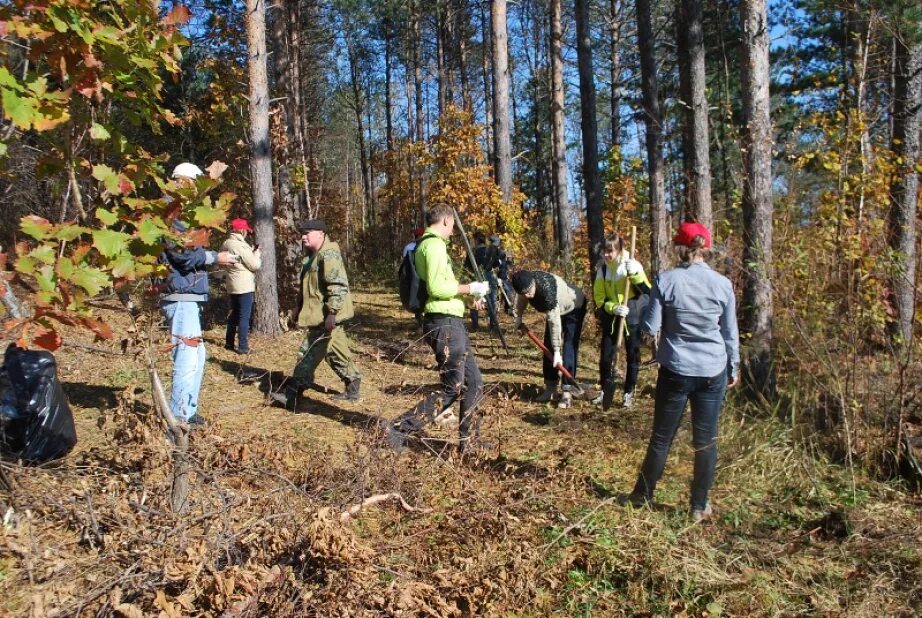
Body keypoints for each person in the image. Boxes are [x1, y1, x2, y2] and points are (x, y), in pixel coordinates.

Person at [621, 222, 740, 522]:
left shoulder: (666, 280)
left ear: (680, 248)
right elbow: (730, 333)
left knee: (662, 438)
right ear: (706, 248)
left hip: (676, 369)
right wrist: (734, 366)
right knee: (706, 440)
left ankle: (641, 495)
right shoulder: (723, 285)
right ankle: (699, 506)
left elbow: (650, 327)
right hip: (714, 370)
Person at [388, 204, 489, 452]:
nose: (454, 229)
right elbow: (436, 289)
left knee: (474, 382)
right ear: (445, 221)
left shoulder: (436, 246)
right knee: (452, 388)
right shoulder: (432, 245)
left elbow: (445, 286)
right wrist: (471, 288)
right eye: (453, 223)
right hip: (443, 323)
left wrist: (468, 299)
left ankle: (469, 442)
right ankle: (399, 428)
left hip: (451, 320)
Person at [160, 162, 237, 426]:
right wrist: (216, 257)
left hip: (188, 295)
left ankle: (188, 411)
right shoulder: (172, 211)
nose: (197, 190)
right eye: (194, 183)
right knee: (186, 356)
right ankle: (179, 418)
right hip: (180, 295)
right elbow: (181, 254)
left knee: (197, 355)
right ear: (184, 181)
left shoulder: (182, 212)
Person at [270, 219, 362, 409]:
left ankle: (292, 393)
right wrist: (297, 307)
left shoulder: (328, 255)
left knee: (308, 352)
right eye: (302, 233)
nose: (303, 237)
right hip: (321, 315)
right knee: (335, 351)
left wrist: (332, 314)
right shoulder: (313, 256)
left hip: (326, 316)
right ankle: (353, 384)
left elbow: (337, 286)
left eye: (307, 233)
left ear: (321, 234)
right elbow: (308, 288)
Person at [511, 270, 588, 409]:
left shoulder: (547, 291)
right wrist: (519, 316)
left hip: (574, 306)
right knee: (548, 345)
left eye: (529, 291)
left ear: (534, 283)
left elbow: (554, 323)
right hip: (557, 309)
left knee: (569, 346)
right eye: (524, 292)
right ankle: (551, 388)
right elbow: (522, 299)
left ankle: (567, 391)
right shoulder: (525, 284)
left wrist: (557, 352)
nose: (528, 295)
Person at [591, 235, 651, 408]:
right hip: (613, 315)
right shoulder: (603, 270)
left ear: (619, 250)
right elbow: (599, 298)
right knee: (605, 356)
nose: (607, 255)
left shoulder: (631, 265)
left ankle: (628, 392)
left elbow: (647, 290)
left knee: (633, 354)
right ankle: (605, 390)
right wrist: (612, 307)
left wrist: (636, 275)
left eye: (611, 251)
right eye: (605, 251)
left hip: (632, 310)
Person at [221, 218, 262, 354]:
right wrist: (256, 255)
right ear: (242, 230)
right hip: (244, 285)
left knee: (234, 314)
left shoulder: (226, 243)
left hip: (232, 283)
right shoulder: (240, 245)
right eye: (245, 230)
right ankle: (243, 347)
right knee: (244, 316)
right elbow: (254, 265)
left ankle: (229, 343)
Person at [470, 232, 499, 332]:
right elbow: (496, 263)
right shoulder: (489, 250)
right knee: (491, 301)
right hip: (489, 277)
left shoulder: (473, 251)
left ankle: (475, 325)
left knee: (475, 299)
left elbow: (467, 266)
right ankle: (492, 325)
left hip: (477, 278)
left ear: (476, 240)